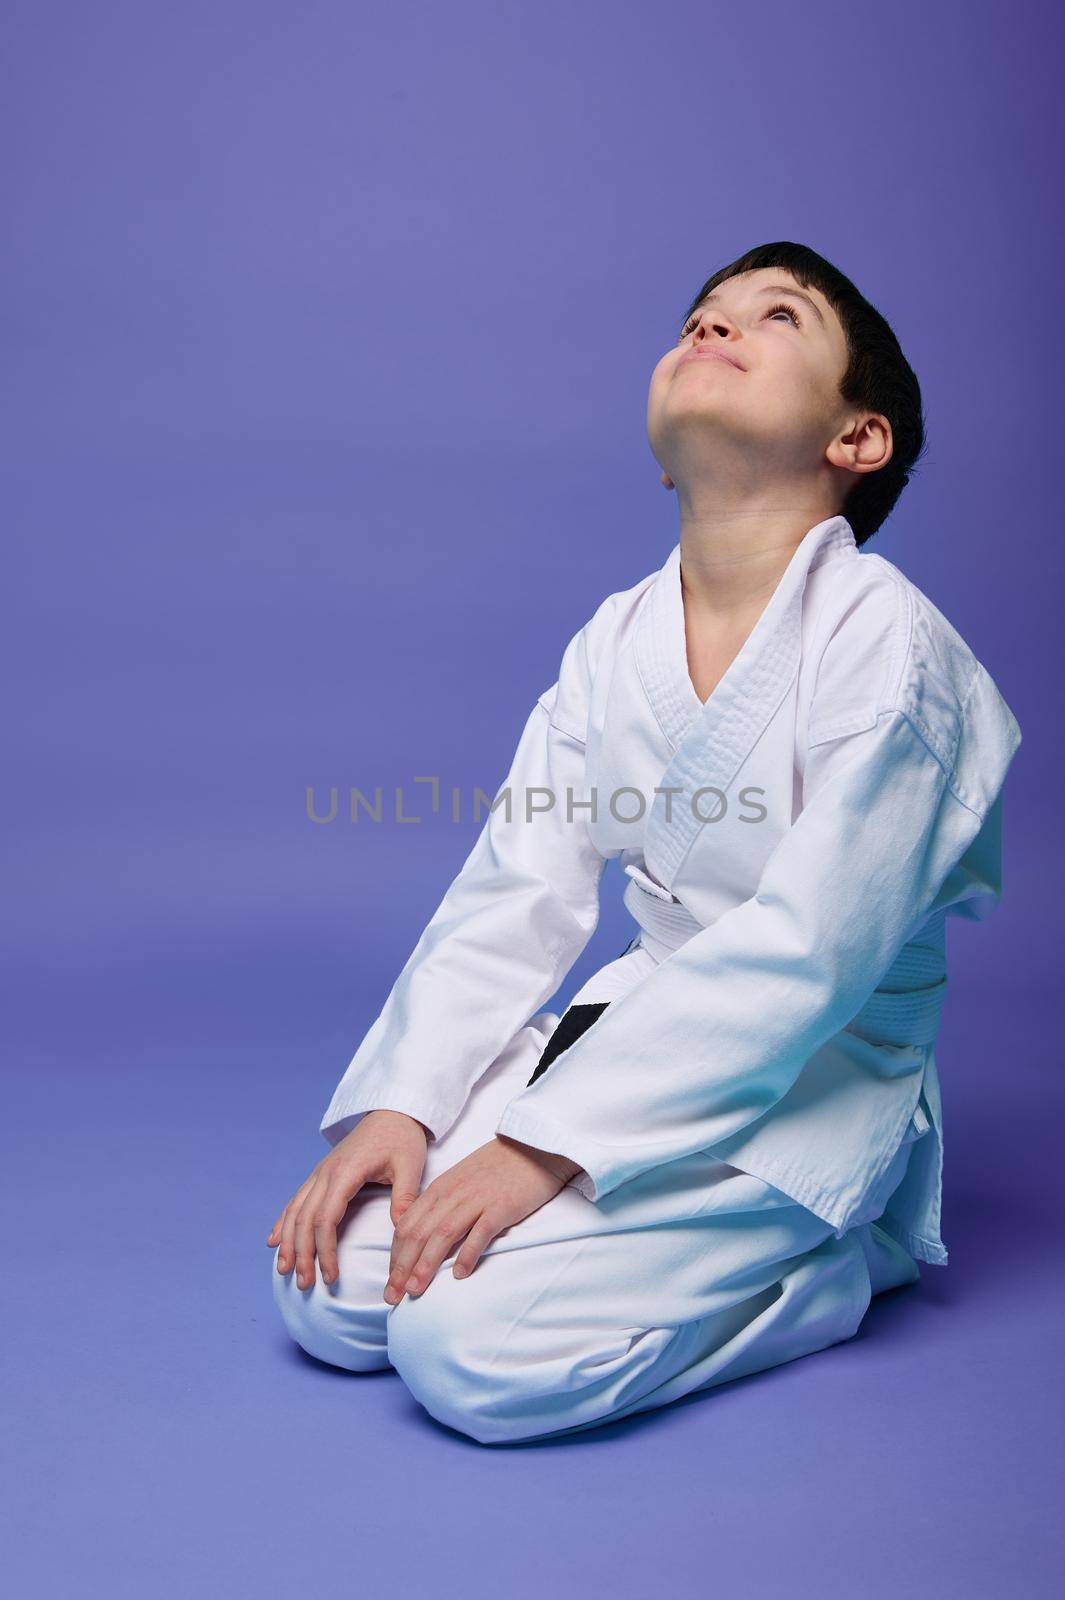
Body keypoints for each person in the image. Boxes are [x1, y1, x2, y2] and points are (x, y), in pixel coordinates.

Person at [268, 241, 1022, 1445]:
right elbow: (515, 887)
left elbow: (808, 953)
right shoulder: (614, 641)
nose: (714, 328)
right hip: (649, 1022)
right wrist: (407, 1105)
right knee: (331, 1292)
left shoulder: (891, 647)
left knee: (468, 1355)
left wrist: (545, 1146)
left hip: (819, 1067)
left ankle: (835, 1262)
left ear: (857, 439)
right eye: (700, 316)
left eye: (773, 317)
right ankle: (570, 1195)